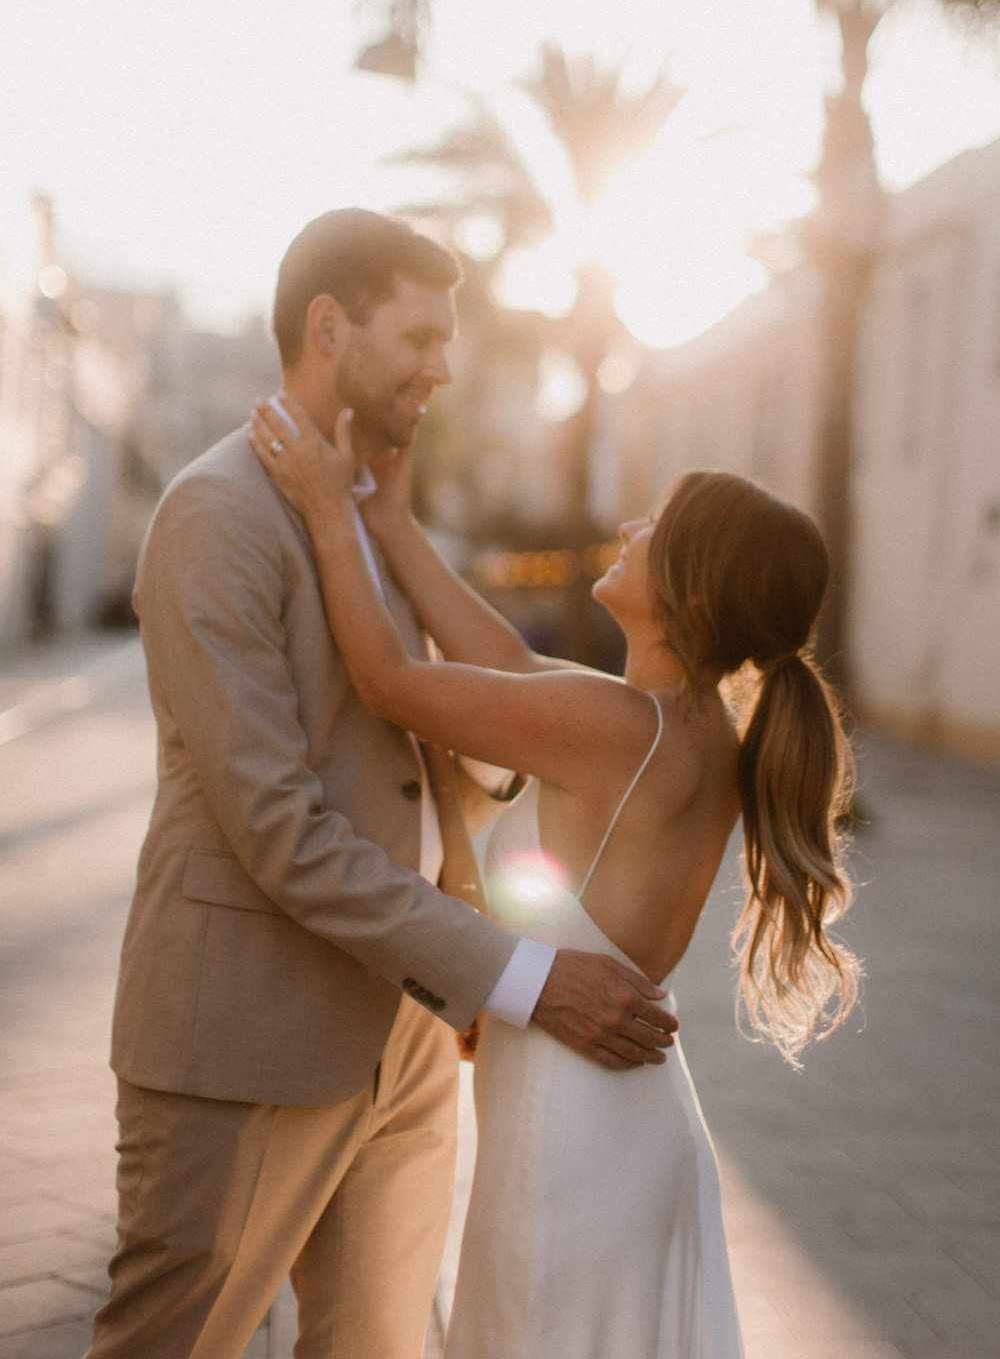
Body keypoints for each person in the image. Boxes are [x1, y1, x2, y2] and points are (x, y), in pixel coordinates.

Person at [86, 209, 678, 1359]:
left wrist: (466, 939)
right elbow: (281, 835)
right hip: (242, 1043)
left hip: (407, 1042)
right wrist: (518, 978)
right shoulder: (214, 516)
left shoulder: (372, 515)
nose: (441, 368)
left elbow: (466, 730)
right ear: (326, 326)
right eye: (417, 335)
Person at [249, 393, 863, 1359]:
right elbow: (499, 659)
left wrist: (328, 511)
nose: (628, 526)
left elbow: (387, 683)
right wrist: (392, 524)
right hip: (629, 1130)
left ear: (692, 592)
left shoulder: (618, 727)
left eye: (656, 525)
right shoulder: (687, 731)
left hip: (570, 1142)